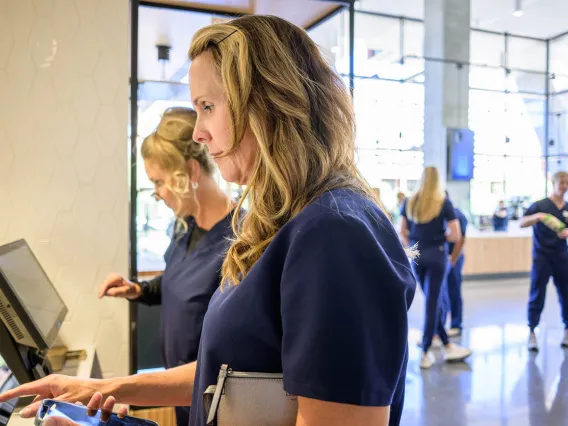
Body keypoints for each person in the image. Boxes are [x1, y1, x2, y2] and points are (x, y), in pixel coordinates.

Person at [0, 15, 415, 426]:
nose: (199, 132)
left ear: (268, 103)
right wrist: (106, 391)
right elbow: (224, 378)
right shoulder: (284, 224)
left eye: (208, 107)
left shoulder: (334, 234)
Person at [98, 107, 235, 426]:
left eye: (159, 182)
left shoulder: (238, 243)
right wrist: (139, 290)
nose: (157, 194)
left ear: (190, 171)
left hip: (213, 402)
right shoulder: (185, 226)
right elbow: (179, 281)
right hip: (179, 395)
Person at [400, 167, 472, 369]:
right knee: (433, 302)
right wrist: (438, 237)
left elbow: (402, 231)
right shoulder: (443, 203)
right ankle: (425, 351)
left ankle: (448, 345)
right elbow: (455, 235)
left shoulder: (410, 202)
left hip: (417, 256)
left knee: (432, 301)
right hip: (437, 255)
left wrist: (413, 245)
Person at [520, 171, 568, 351]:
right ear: (554, 183)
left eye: (567, 183)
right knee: (537, 292)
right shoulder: (540, 205)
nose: (564, 186)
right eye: (561, 182)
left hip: (562, 256)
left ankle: (567, 329)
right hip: (542, 256)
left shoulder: (567, 207)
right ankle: (532, 331)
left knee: (566, 293)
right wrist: (538, 217)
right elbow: (522, 222)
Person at [444, 191, 468, 337]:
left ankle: (456, 324)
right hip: (443, 258)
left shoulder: (457, 214)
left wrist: (452, 260)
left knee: (454, 291)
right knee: (442, 293)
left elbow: (460, 239)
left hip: (454, 258)